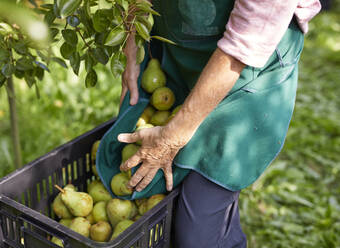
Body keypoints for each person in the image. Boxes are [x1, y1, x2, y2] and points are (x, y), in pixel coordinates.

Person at [117, 0, 321, 247]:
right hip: (178, 50)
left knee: (198, 230)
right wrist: (132, 51)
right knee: (168, 205)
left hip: (250, 71)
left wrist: (171, 137)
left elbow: (244, 45)